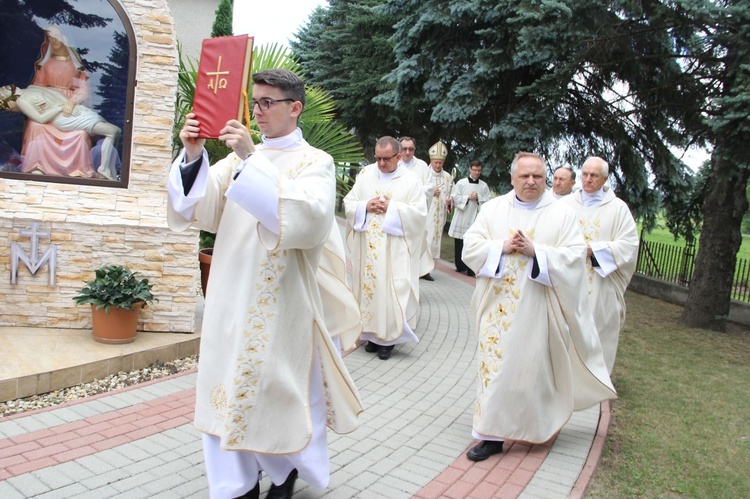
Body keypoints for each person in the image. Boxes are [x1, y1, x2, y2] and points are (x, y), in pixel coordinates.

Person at [167, 69, 363, 499]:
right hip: (228, 294)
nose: (257, 111)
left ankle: (281, 471)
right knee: (225, 390)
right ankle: (233, 486)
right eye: (254, 102)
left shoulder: (316, 162)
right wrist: (193, 156)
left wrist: (253, 159)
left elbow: (309, 222)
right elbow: (202, 209)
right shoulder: (235, 159)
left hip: (281, 300)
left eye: (267, 103)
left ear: (294, 108)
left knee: (270, 391)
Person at [462, 151, 616, 461]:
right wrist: (502, 247)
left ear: (545, 180)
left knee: (532, 371)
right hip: (497, 309)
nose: (531, 181)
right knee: (496, 369)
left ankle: (532, 427)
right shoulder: (493, 209)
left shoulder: (561, 213)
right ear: (512, 179)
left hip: (539, 308)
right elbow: (471, 247)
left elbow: (574, 257)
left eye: (538, 177)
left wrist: (537, 252)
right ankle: (491, 435)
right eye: (524, 176)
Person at [344, 136, 427, 360]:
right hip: (367, 251)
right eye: (378, 158)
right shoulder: (365, 175)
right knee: (369, 290)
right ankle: (371, 336)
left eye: (386, 159)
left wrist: (393, 208)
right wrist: (366, 205)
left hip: (394, 251)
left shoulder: (411, 181)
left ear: (399, 157)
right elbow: (349, 203)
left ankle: (388, 340)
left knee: (391, 291)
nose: (381, 163)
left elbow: (419, 215)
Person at [561, 156, 638, 374]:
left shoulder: (618, 209)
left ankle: (593, 382)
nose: (588, 179)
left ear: (604, 179)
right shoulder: (565, 205)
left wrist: (594, 250)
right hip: (567, 280)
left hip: (600, 285)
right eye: (584, 174)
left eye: (594, 175)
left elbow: (629, 245)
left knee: (595, 334)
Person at [22, 25, 97, 178]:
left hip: (68, 107)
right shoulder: (45, 64)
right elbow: (36, 87)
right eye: (50, 37)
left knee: (81, 134)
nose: (53, 40)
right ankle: (37, 165)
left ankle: (76, 169)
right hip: (49, 105)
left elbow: (83, 89)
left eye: (56, 36)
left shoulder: (77, 65)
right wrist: (39, 102)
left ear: (64, 38)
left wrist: (71, 102)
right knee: (35, 125)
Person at [0, 84, 120, 180]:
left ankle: (111, 169)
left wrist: (70, 103)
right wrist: (59, 108)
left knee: (117, 131)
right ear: (7, 100)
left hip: (75, 110)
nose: (2, 88)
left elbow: (58, 96)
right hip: (64, 118)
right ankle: (104, 168)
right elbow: (40, 119)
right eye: (0, 92)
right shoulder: (22, 100)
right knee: (112, 132)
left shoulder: (32, 87)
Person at [398, 136, 435, 280]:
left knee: (413, 252)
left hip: (414, 216)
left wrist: (414, 195)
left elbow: (429, 188)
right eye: (404, 149)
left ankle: (412, 282)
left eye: (411, 149)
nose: (407, 152)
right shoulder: (394, 163)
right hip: (398, 215)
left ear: (415, 150)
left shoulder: (422, 166)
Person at [448, 160, 491, 276]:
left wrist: (478, 197)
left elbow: (488, 200)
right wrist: (468, 197)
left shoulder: (483, 185)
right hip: (462, 216)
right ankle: (459, 265)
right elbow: (455, 198)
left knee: (472, 243)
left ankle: (470, 268)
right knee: (460, 242)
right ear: (470, 169)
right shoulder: (461, 183)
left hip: (475, 217)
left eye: (479, 170)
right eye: (474, 170)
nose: (477, 173)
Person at [425, 141, 453, 269]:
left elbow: (452, 195)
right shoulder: (425, 174)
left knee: (435, 240)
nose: (438, 165)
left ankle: (430, 268)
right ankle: (422, 267)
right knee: (426, 239)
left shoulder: (447, 177)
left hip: (439, 215)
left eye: (440, 163)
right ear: (431, 161)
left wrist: (449, 201)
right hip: (426, 213)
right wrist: (431, 192)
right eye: (436, 162)